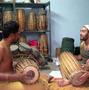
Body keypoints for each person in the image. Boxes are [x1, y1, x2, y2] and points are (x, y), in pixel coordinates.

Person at [0, 20, 53, 90]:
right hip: (3, 85)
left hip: (11, 80)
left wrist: (17, 63)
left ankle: (44, 82)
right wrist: (15, 77)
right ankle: (43, 85)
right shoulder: (1, 48)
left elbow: (5, 64)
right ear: (12, 35)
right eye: (18, 34)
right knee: (37, 87)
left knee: (36, 79)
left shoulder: (7, 46)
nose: (19, 37)